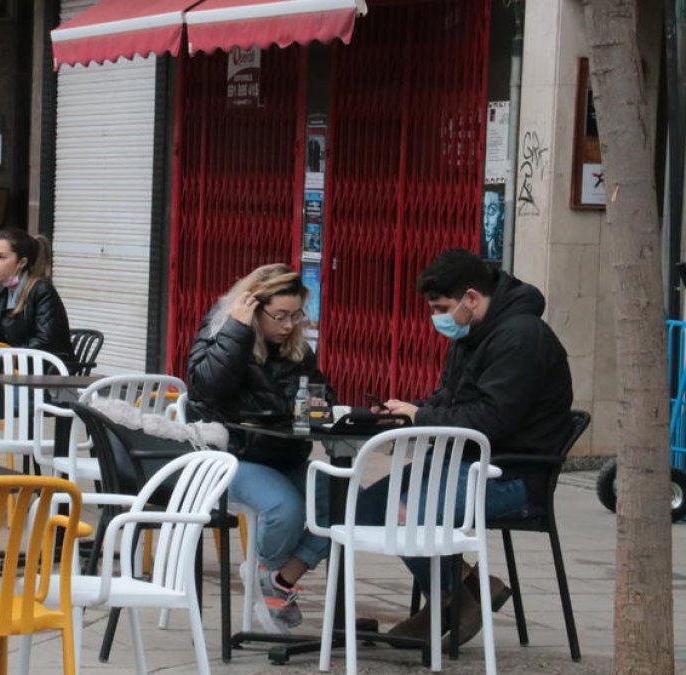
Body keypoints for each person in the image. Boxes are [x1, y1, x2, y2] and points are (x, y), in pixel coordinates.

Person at [363, 248, 574, 647]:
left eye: (442, 307)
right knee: (372, 506)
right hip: (462, 464)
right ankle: (468, 590)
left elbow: (491, 421)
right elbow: (452, 399)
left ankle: (453, 603)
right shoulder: (474, 333)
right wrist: (406, 411)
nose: (438, 318)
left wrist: (420, 417)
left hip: (512, 476)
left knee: (408, 512)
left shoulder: (521, 338)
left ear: (472, 298)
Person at [185, 263, 333, 632]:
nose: (288, 325)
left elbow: (320, 394)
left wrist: (319, 405)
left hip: (284, 452)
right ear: (253, 307)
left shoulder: (295, 346)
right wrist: (236, 329)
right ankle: (268, 579)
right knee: (286, 508)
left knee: (343, 501)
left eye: (296, 315)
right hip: (232, 455)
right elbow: (205, 387)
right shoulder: (221, 332)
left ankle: (277, 579)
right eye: (279, 316)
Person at [0, 228, 73, 362]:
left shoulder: (42, 291)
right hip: (15, 367)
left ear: (22, 262)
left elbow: (46, 341)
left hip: (47, 370)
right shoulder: (3, 292)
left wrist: (10, 357)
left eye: (1, 257)